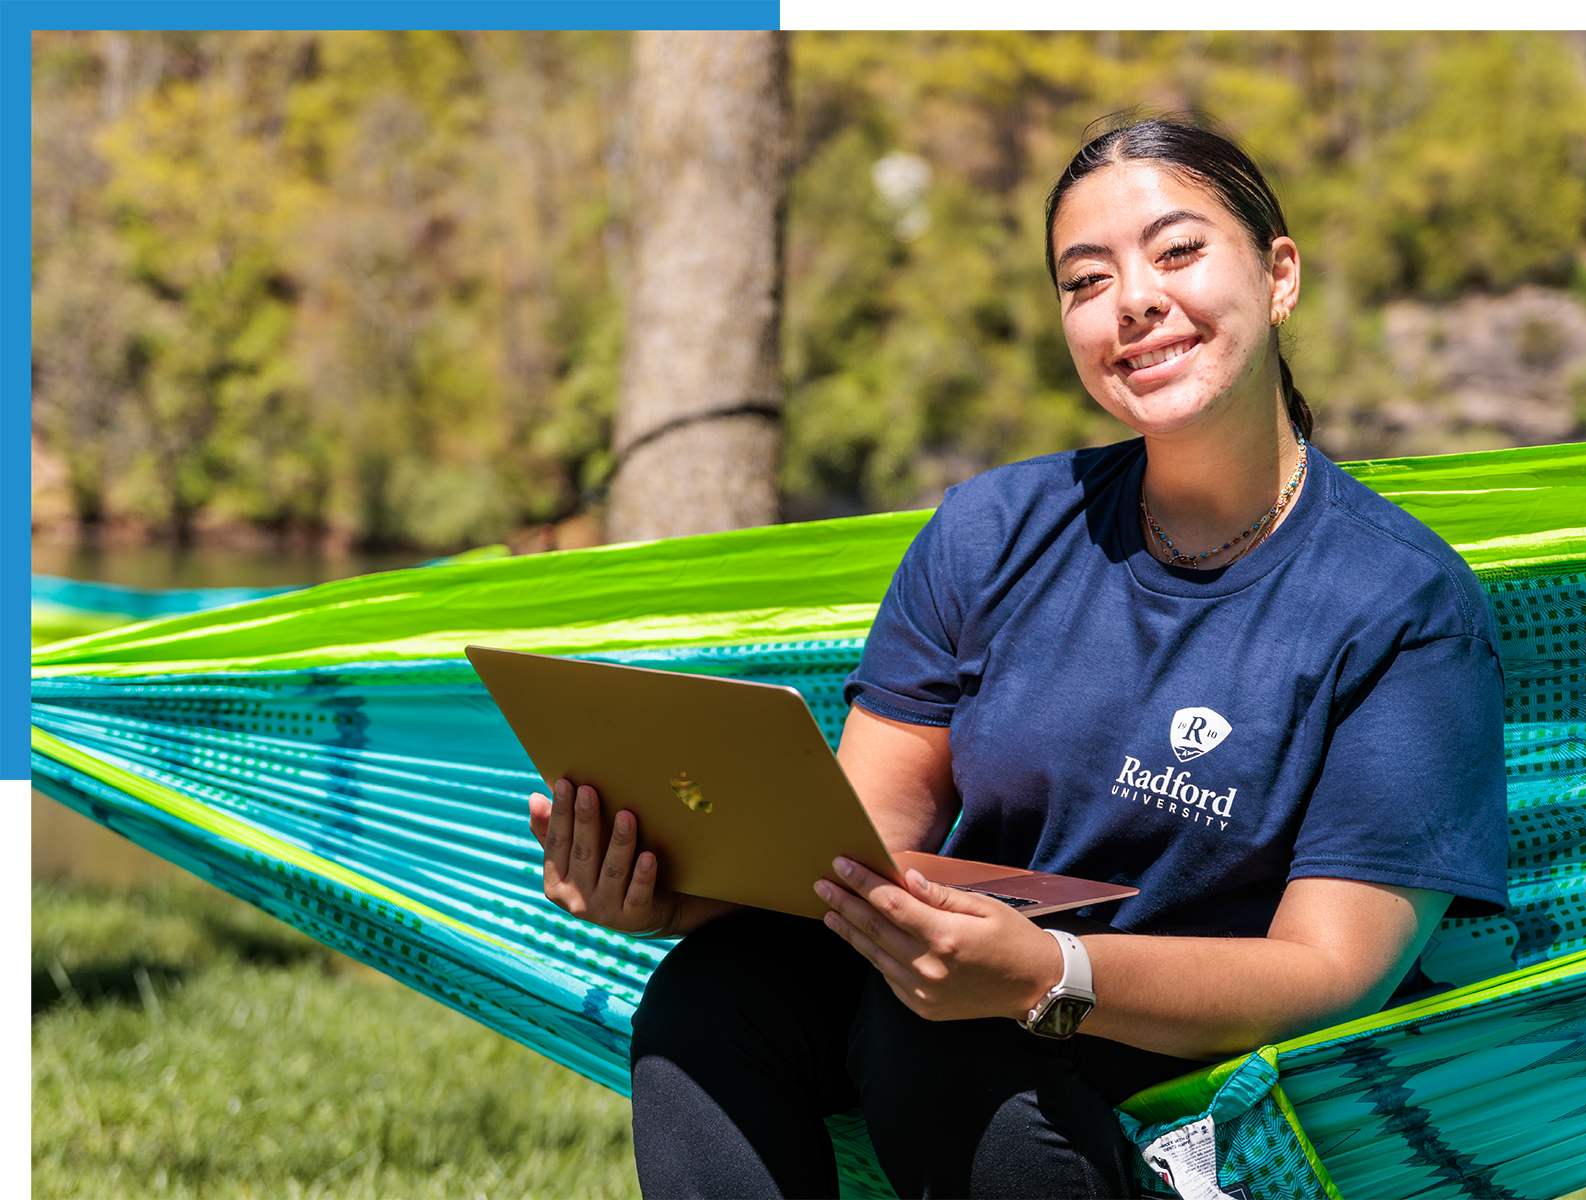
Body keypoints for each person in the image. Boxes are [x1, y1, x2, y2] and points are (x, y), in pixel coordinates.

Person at [527, 116, 1509, 1200]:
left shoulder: (1400, 603)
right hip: (961, 973)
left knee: (943, 1045)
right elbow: (857, 850)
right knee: (714, 998)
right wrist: (670, 898)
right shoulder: (991, 531)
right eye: (1087, 280)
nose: (1133, 299)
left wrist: (1053, 972)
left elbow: (1333, 972)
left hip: (1207, 1032)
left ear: (1280, 277)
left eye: (1178, 252)